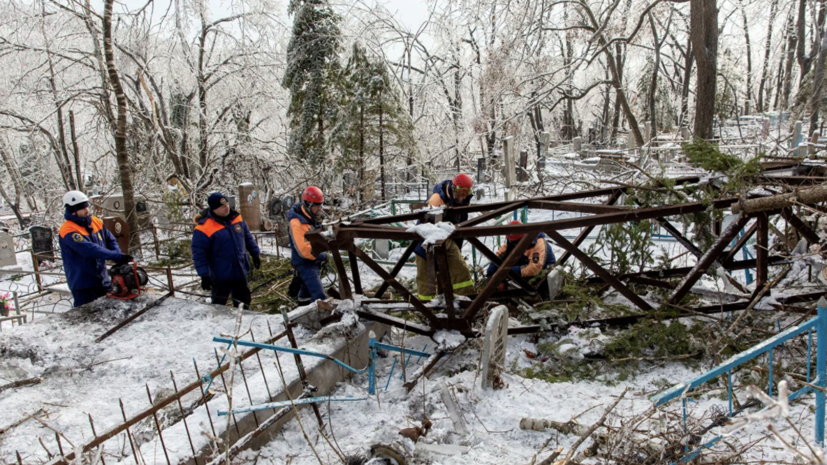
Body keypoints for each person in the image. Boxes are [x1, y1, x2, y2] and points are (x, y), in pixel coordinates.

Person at [59, 190, 132, 307]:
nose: (87, 210)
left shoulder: (95, 221)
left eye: (87, 207)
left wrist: (118, 255)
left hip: (102, 281)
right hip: (83, 284)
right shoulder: (68, 230)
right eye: (82, 208)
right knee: (87, 317)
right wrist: (115, 256)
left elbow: (110, 239)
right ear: (73, 211)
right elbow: (90, 250)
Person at [192, 192, 261, 307]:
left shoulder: (237, 218)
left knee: (243, 303)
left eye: (227, 204)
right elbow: (199, 254)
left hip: (239, 270)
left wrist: (255, 254)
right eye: (222, 206)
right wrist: (204, 275)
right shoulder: (203, 228)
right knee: (219, 305)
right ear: (214, 209)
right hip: (220, 274)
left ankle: (244, 321)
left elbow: (247, 237)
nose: (226, 207)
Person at [413, 174, 475, 301]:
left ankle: (465, 301)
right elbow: (430, 229)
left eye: (465, 192)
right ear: (453, 188)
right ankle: (426, 308)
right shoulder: (437, 199)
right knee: (426, 278)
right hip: (426, 241)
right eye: (460, 192)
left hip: (447, 239)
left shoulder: (464, 200)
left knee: (459, 270)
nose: (462, 196)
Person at [486, 220, 557, 294]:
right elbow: (499, 256)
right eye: (511, 242)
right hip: (523, 271)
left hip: (542, 275)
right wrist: (490, 274)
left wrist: (507, 272)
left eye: (516, 242)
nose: (514, 245)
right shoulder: (511, 242)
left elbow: (535, 268)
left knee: (538, 292)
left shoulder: (538, 245)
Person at [287, 186, 328, 305]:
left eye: (321, 205)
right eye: (317, 205)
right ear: (308, 204)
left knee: (306, 294)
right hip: (304, 263)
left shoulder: (312, 217)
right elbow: (304, 251)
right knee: (320, 296)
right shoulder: (297, 223)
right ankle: (322, 320)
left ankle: (303, 311)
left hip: (313, 262)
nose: (320, 209)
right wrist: (323, 255)